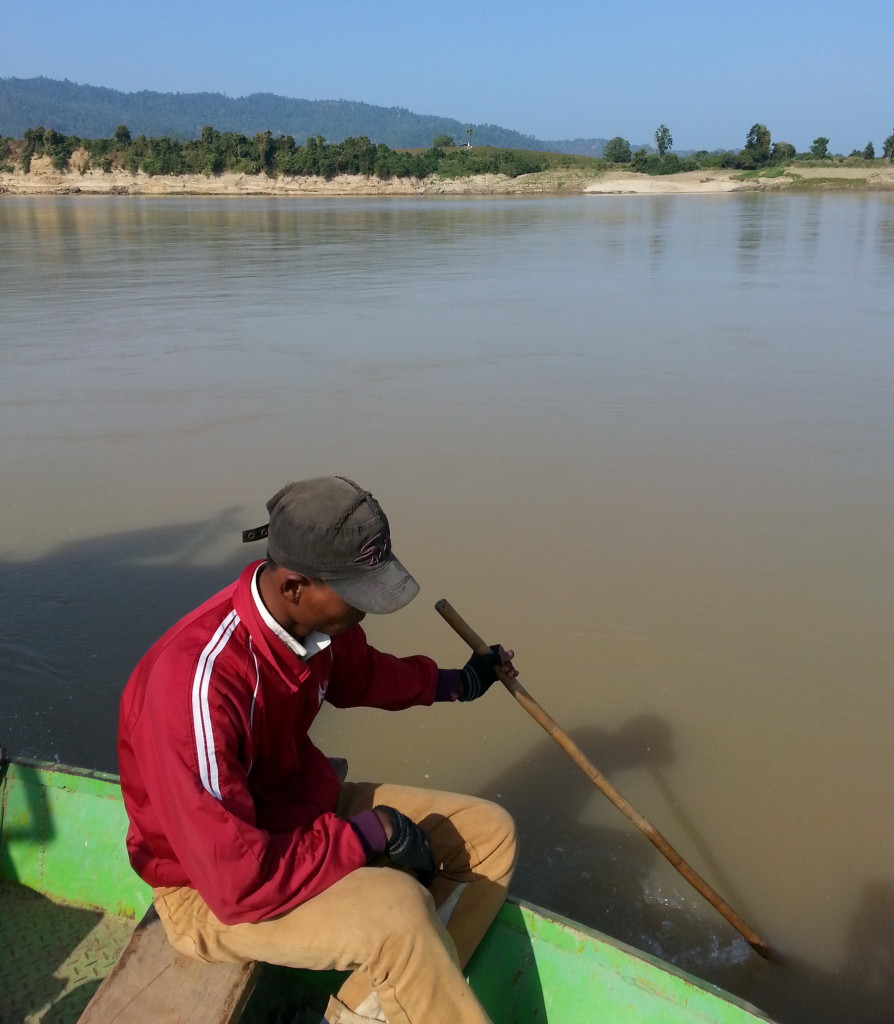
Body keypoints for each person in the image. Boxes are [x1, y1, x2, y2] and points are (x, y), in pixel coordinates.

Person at [118, 475, 518, 1024]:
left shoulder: (319, 625)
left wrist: (461, 682)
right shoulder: (196, 689)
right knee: (401, 916)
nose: (368, 610)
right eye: (359, 595)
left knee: (490, 834)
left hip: (295, 813)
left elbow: (362, 675)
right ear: (294, 587)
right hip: (208, 889)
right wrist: (367, 834)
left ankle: (359, 1014)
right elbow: (238, 881)